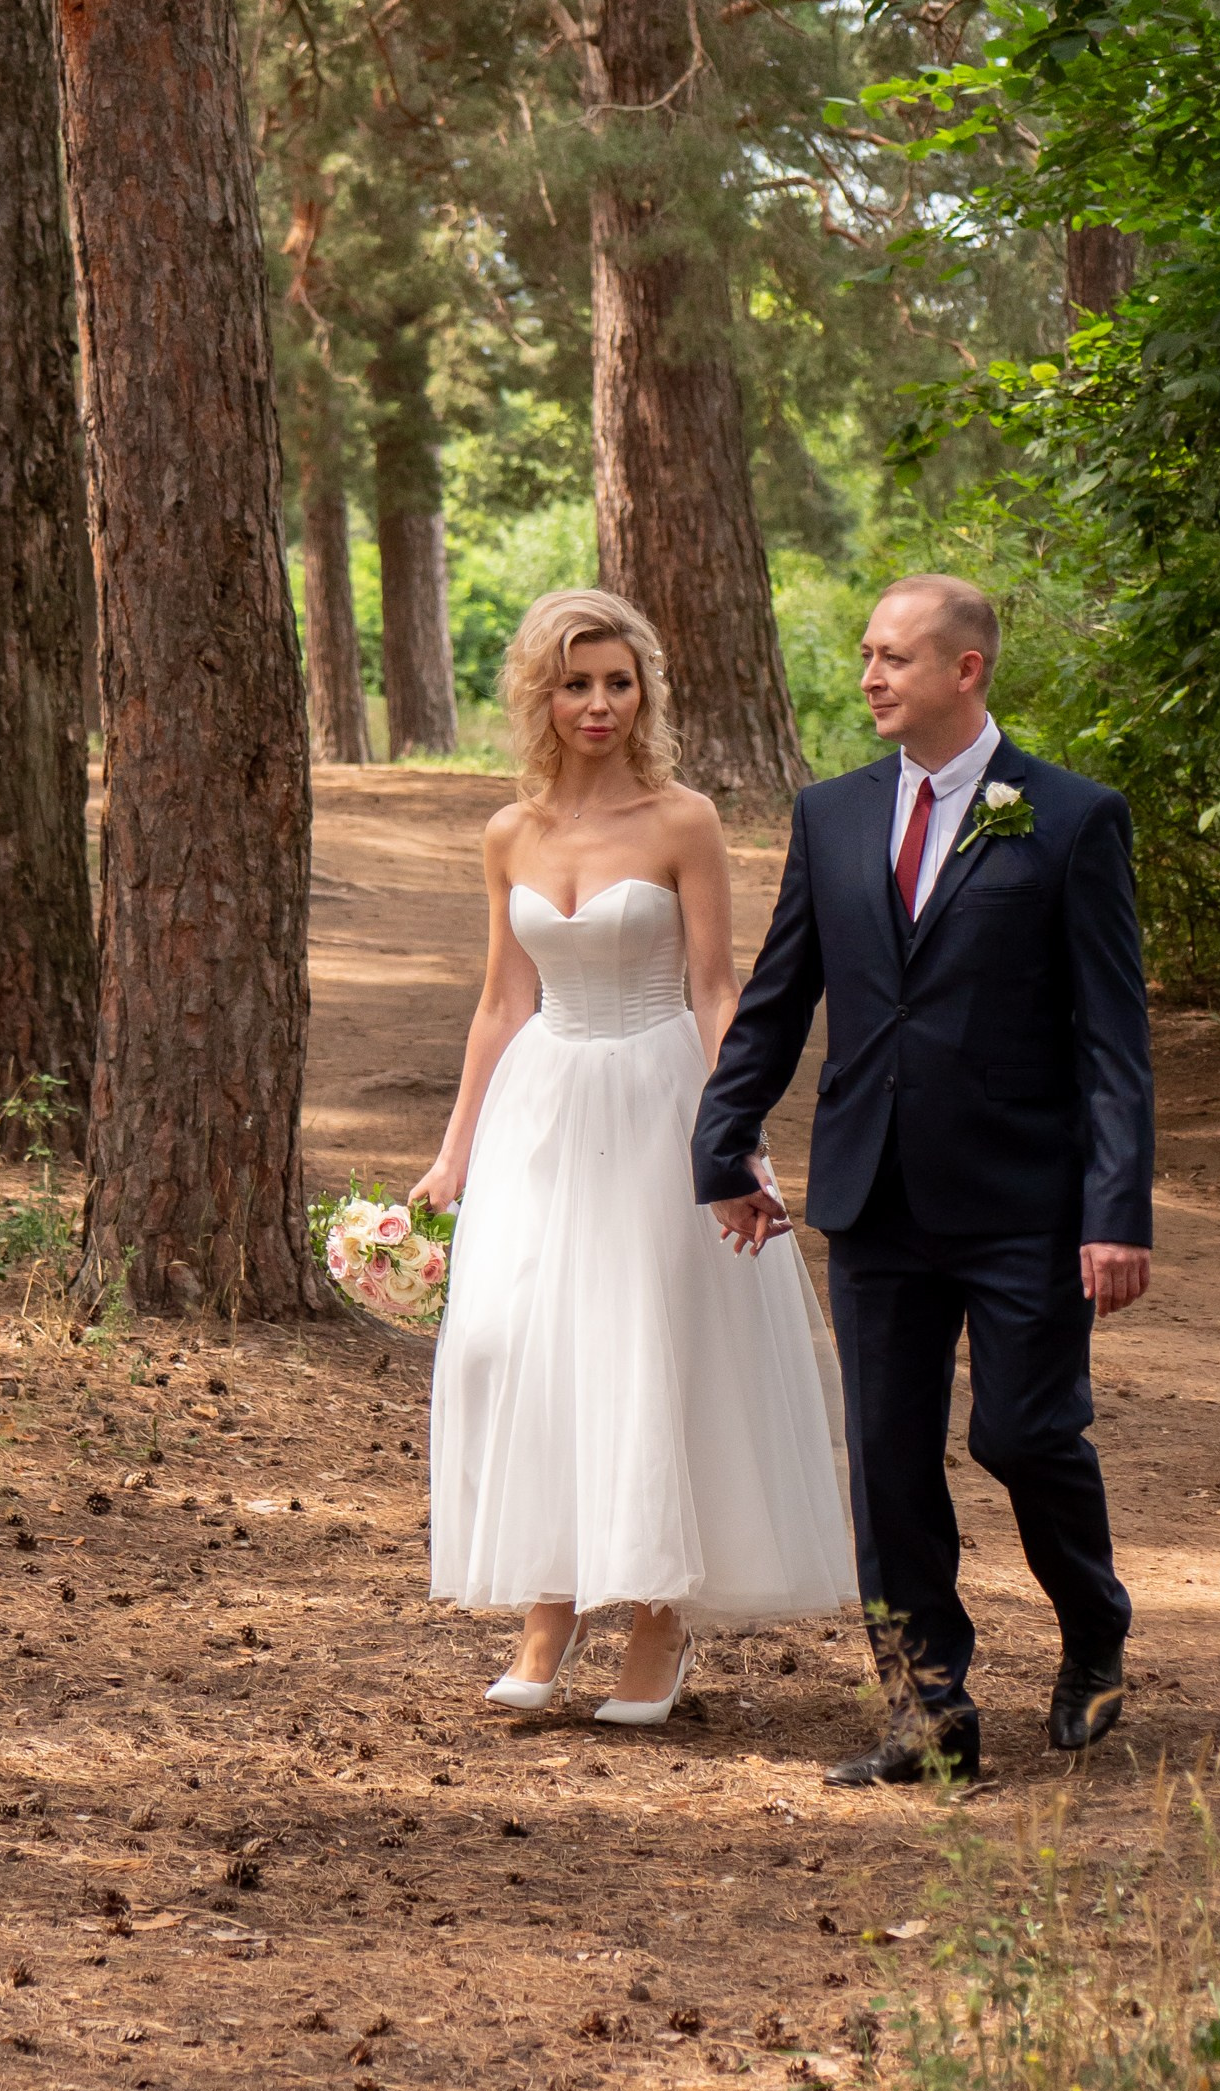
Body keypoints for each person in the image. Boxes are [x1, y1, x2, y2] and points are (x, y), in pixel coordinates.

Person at [692, 574, 1155, 1785]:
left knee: (1024, 1434)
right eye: (866, 655)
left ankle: (1093, 1621)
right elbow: (779, 997)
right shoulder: (832, 815)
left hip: (1025, 1202)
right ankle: (927, 1710)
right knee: (890, 1460)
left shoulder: (1071, 819)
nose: (869, 677)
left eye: (893, 657)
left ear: (966, 669)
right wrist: (723, 1142)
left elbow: (1114, 1042)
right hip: (874, 1194)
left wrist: (1116, 1213)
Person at [413, 587, 855, 1725]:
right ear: (542, 695)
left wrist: (736, 1133)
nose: (599, 704)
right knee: (522, 1345)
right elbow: (502, 1000)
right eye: (576, 684)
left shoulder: (682, 821)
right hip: (543, 1108)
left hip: (661, 1099)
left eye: (618, 682)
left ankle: (659, 1618)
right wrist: (456, 1152)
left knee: (652, 1344)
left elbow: (716, 990)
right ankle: (548, 1605)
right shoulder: (510, 832)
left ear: (644, 692)